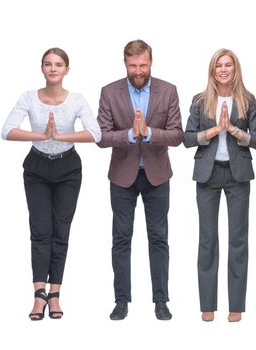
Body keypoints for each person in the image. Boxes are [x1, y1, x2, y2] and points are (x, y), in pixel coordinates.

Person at [1, 48, 102, 321]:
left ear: (67, 69)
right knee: (40, 229)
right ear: (42, 69)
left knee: (61, 230)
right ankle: (38, 294)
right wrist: (42, 135)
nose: (53, 69)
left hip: (68, 169)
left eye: (59, 64)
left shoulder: (77, 100)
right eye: (48, 64)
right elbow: (6, 130)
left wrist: (60, 135)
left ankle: (55, 293)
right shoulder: (29, 98)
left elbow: (96, 133)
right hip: (36, 168)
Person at [96, 39, 183, 321]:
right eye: (133, 65)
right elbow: (102, 137)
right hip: (122, 175)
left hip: (157, 174)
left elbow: (177, 135)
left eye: (142, 64)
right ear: (125, 64)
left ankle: (161, 300)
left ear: (151, 62)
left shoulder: (168, 91)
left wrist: (148, 132)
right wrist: (131, 135)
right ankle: (121, 300)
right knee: (121, 238)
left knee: (159, 238)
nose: (138, 70)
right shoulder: (109, 92)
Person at [183, 49, 256, 322]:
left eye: (228, 65)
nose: (224, 69)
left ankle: (236, 306)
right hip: (207, 175)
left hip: (237, 175)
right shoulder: (200, 100)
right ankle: (208, 304)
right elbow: (187, 138)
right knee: (207, 240)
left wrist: (233, 130)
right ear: (212, 70)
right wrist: (216, 129)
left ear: (235, 69)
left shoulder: (247, 100)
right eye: (219, 65)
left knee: (238, 241)